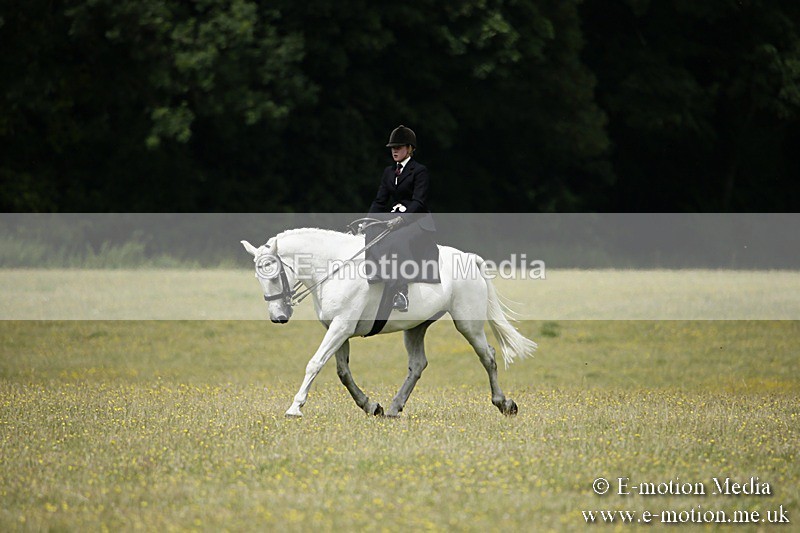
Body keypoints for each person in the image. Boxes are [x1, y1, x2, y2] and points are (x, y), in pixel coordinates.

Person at [366, 125, 439, 312]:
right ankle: (376, 275)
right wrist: (367, 221)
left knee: (397, 240)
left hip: (417, 220)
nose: (394, 150)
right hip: (395, 217)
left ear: (409, 148)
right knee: (372, 231)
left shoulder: (419, 171)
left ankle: (401, 292)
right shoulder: (389, 172)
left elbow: (419, 202)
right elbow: (379, 201)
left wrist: (402, 220)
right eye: (392, 148)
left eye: (398, 147)